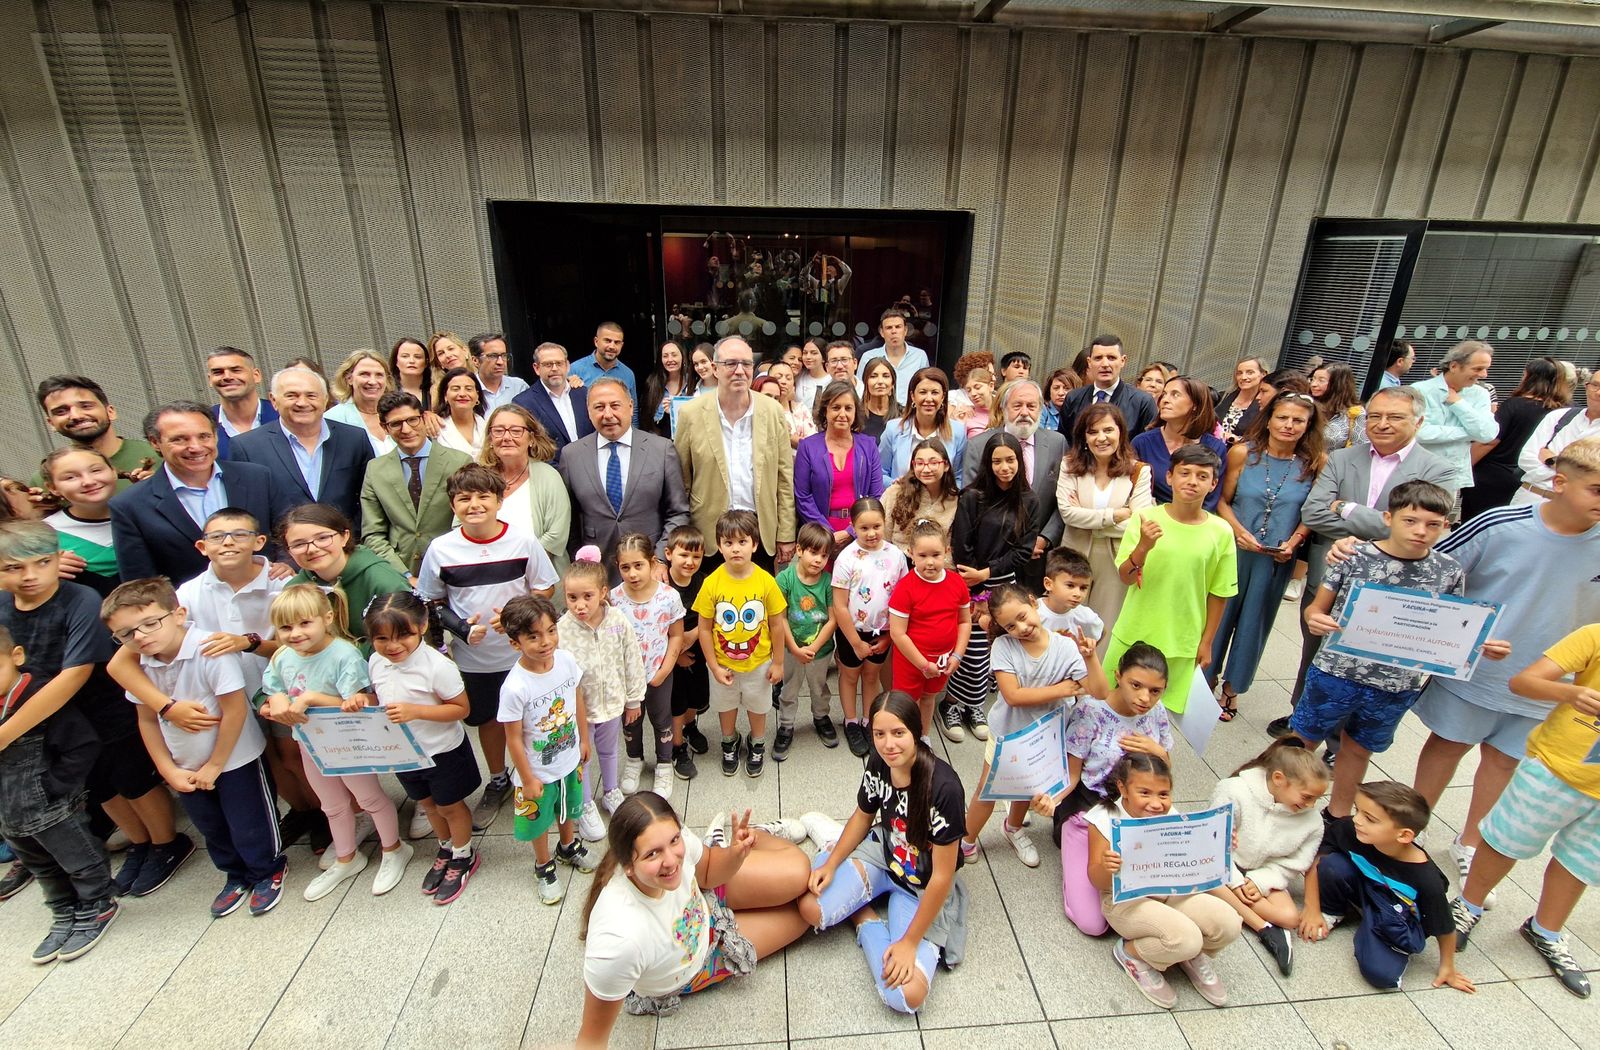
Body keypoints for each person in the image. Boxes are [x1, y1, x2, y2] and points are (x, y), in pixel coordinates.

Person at [1409, 437, 1600, 904]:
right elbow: (1431, 570)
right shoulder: (1500, 524)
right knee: (1447, 746)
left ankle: (1471, 842)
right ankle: (1412, 826)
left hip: (1552, 685)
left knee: (1503, 761)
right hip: (1474, 672)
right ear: (1560, 482)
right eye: (1597, 489)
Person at [0, 519, 192, 900]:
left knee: (131, 778)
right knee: (97, 784)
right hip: (53, 719)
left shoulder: (80, 600)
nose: (30, 576)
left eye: (42, 562)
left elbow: (75, 673)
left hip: (104, 705)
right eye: (14, 568)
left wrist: (7, 732)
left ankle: (166, 842)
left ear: (59, 558)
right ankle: (139, 843)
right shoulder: (4, 605)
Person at [1273, 386, 1454, 738]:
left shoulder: (1438, 471)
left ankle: (1340, 741)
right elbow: (1313, 512)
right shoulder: (1341, 458)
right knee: (1315, 652)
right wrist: (1389, 527)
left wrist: (1348, 508)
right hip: (1332, 572)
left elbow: (1423, 528)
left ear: (1418, 422)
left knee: (1371, 666)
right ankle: (1301, 718)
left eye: (1395, 417)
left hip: (1394, 589)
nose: (1382, 424)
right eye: (1375, 416)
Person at [1297, 481, 1487, 813]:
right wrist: (1315, 618)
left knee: (1358, 750)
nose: (1421, 531)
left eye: (1433, 524)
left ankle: (1338, 815)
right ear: (1388, 518)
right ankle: (1279, 803)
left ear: (1445, 525)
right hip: (1335, 673)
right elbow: (1316, 607)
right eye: (1410, 521)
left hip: (1396, 685)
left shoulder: (1448, 571)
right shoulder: (1353, 556)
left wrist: (1477, 644)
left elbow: (1449, 624)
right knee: (1302, 742)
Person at [102, 578, 285, 918]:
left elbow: (234, 710)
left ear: (178, 614)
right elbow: (146, 720)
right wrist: (168, 769)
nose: (140, 636)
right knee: (211, 826)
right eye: (126, 634)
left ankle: (267, 870)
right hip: (184, 765)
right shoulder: (141, 665)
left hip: (235, 760)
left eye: (150, 623)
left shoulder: (208, 649)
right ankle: (234, 875)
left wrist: (215, 764)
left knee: (250, 822)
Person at [577, 795, 812, 1043]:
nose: (671, 861)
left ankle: (756, 835)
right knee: (806, 911)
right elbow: (590, 1042)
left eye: (674, 840)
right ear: (627, 865)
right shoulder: (619, 940)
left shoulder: (668, 836)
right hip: (701, 958)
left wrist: (736, 854)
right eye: (653, 854)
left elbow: (708, 870)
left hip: (703, 894)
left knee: (800, 872)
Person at [1452, 625, 1600, 998]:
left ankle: (1545, 930)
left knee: (1580, 862)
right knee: (1507, 840)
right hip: (1556, 768)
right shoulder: (1594, 635)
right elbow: (1523, 682)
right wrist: (1571, 693)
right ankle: (1468, 905)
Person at [799, 692, 969, 1015]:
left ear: (916, 731)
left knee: (907, 996)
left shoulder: (945, 789)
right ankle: (833, 848)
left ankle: (864, 917)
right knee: (811, 907)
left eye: (898, 733)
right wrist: (832, 865)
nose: (888, 744)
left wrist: (908, 943)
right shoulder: (880, 762)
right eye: (879, 734)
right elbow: (863, 815)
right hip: (884, 854)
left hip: (921, 887)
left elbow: (942, 876)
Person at [416, 464, 556, 831]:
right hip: (475, 658)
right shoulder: (441, 549)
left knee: (536, 716)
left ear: (499, 501)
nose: (474, 504)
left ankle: (540, 774)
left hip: (524, 655)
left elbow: (545, 587)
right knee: (490, 720)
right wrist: (461, 629)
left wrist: (514, 614)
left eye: (483, 496)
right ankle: (498, 779)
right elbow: (430, 601)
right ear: (453, 505)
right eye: (464, 498)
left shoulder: (523, 541)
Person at [259, 584, 411, 900]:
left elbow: (356, 704)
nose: (295, 634)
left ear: (327, 617)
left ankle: (394, 849)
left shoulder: (344, 655)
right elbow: (272, 688)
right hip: (310, 744)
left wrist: (311, 698)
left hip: (348, 743)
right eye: (285, 627)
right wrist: (275, 702)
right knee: (331, 804)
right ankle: (346, 857)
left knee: (369, 798)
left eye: (304, 623)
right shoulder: (282, 655)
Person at [0, 603, 115, 960]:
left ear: (16, 656)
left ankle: (98, 905)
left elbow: (82, 745)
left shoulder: (39, 699)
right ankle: (63, 911)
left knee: (80, 859)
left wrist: (54, 788)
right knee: (41, 867)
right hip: (9, 816)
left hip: (52, 808)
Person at [961, 582, 1099, 870]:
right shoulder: (1004, 646)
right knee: (987, 789)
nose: (1021, 628)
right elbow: (1013, 696)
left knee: (1027, 786)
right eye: (1010, 626)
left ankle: (1013, 828)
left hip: (1044, 735)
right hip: (1007, 733)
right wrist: (1062, 689)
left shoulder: (1065, 647)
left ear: (1034, 603)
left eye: (1023, 617)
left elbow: (1098, 691)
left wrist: (1091, 658)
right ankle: (966, 840)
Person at [1089, 753, 1241, 1008]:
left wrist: (1220, 845)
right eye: (1144, 792)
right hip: (1125, 900)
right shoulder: (1103, 817)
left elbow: (1193, 858)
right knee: (1187, 939)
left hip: (1171, 890)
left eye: (1163, 794)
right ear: (1123, 788)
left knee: (1229, 924)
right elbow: (1095, 879)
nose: (1156, 803)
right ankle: (1132, 954)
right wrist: (1107, 867)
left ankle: (1187, 954)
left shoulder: (1169, 813)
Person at [1042, 643, 1172, 935]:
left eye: (1155, 691)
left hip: (1139, 812)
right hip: (1089, 810)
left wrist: (1158, 752)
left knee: (1165, 890)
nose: (1145, 698)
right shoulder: (1090, 711)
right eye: (1136, 685)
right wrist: (1050, 801)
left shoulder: (1157, 712)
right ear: (1118, 675)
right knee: (1092, 923)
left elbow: (1164, 772)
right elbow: (1071, 775)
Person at [1209, 392, 1322, 720]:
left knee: (1255, 624)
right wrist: (1237, 531)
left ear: (1308, 426)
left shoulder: (1315, 463)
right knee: (1219, 617)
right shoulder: (1242, 453)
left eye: (1298, 420)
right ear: (1269, 419)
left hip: (1277, 558)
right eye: (1282, 417)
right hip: (1235, 550)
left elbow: (1312, 512)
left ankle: (1233, 688)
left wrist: (1295, 541)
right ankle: (1205, 678)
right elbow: (1222, 500)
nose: (1289, 425)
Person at [1300, 781, 1472, 993]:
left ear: (1404, 835)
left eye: (1369, 818)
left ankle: (1382, 935)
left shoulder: (1427, 880)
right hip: (1365, 883)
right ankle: (1334, 910)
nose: (1357, 820)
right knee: (1332, 865)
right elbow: (1317, 858)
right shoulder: (1349, 829)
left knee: (1380, 974)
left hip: (1395, 910)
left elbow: (1444, 926)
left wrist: (1448, 967)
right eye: (1357, 810)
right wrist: (1312, 907)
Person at [1108, 444, 1237, 714]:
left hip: (1182, 641)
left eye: (1202, 476)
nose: (1192, 481)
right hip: (1134, 631)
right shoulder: (1144, 519)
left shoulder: (1221, 532)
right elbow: (1125, 577)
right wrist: (1143, 547)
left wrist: (1206, 642)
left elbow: (1220, 592)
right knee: (1112, 705)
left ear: (1214, 484)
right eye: (1184, 473)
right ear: (1169, 477)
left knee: (1160, 715)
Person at [109, 401, 291, 584]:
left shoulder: (257, 478)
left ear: (216, 436)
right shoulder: (130, 506)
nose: (195, 447)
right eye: (180, 439)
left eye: (204, 436)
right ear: (155, 442)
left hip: (268, 594)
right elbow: (140, 581)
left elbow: (287, 531)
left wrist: (287, 564)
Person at [496, 594, 598, 904]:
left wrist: (583, 739)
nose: (546, 642)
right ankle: (543, 865)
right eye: (533, 636)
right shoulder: (515, 687)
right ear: (514, 643)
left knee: (567, 808)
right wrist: (527, 779)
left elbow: (576, 699)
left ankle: (567, 847)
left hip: (568, 759)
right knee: (539, 821)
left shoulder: (565, 661)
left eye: (551, 631)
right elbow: (513, 738)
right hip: (537, 771)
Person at [943, 432, 1038, 741]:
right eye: (997, 461)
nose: (1004, 467)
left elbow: (1023, 551)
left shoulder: (1029, 500)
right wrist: (978, 586)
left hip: (1004, 584)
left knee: (996, 649)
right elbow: (962, 544)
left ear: (1019, 461)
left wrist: (988, 573)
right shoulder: (973, 496)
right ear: (988, 463)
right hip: (971, 584)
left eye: (1010, 460)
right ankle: (951, 704)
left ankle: (975, 705)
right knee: (972, 651)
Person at [1206, 740, 1329, 976]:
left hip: (1261, 872)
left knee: (1290, 918)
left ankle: (1241, 908)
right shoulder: (1233, 790)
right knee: (1208, 879)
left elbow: (1297, 862)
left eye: (1316, 799)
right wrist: (1235, 881)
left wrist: (1260, 881)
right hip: (1222, 866)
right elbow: (1212, 842)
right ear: (1279, 779)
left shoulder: (1312, 821)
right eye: (1307, 797)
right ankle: (1262, 927)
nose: (1311, 805)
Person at [674, 336, 797, 567]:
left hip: (759, 531)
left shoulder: (772, 411)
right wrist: (684, 532)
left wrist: (786, 532)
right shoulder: (690, 414)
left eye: (746, 364)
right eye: (730, 363)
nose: (740, 371)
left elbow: (784, 478)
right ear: (714, 369)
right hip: (709, 533)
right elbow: (682, 481)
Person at [557, 377, 689, 580]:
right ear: (588, 412)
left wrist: (661, 559)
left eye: (615, 405)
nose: (608, 414)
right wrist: (580, 562)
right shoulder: (571, 455)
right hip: (597, 571)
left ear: (630, 406)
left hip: (649, 567)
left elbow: (678, 512)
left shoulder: (661, 449)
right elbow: (569, 519)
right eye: (599, 407)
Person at [560, 551, 646, 841]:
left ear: (603, 592)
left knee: (609, 750)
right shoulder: (561, 630)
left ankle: (611, 791)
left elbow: (632, 660)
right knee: (581, 757)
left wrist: (633, 700)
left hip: (612, 703)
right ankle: (585, 804)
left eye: (587, 596)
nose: (580, 605)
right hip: (579, 711)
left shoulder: (618, 620)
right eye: (572, 598)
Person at [693, 510, 787, 779]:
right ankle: (729, 741)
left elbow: (777, 624)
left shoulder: (766, 581)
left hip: (759, 663)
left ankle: (757, 743)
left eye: (742, 542)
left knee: (758, 707)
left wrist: (778, 662)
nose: (736, 548)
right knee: (725, 706)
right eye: (728, 542)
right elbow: (704, 628)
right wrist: (713, 666)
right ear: (719, 546)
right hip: (723, 665)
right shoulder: (711, 583)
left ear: (755, 545)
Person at [229, 365, 375, 528]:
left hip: (346, 540)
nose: (302, 403)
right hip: (283, 543)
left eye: (311, 395)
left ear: (325, 399)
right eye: (291, 395)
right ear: (274, 400)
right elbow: (249, 512)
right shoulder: (247, 447)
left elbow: (369, 498)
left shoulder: (354, 439)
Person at [1057, 404, 1150, 650]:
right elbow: (1068, 514)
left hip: (1115, 559)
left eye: (1108, 430)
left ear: (1121, 432)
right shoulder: (1069, 466)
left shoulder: (1138, 472)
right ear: (1084, 437)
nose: (1101, 438)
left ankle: (1098, 675)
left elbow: (1139, 524)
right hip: (1074, 555)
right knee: (1067, 624)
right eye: (1093, 432)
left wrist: (1090, 520)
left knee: (1106, 626)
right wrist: (1116, 515)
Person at [961, 379, 1068, 586]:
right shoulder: (979, 445)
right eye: (1017, 405)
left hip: (1039, 559)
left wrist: (1044, 538)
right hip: (991, 562)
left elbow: (1063, 499)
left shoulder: (1058, 443)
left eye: (1031, 406)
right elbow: (972, 504)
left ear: (1041, 409)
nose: (1024, 412)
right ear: (1004, 408)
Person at [359, 392, 473, 580]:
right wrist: (403, 575)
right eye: (396, 424)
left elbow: (468, 521)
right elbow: (373, 534)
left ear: (424, 418)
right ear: (385, 428)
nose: (406, 429)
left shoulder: (459, 462)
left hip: (452, 569)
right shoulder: (375, 469)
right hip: (400, 573)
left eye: (412, 420)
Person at [611, 535, 685, 798]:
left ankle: (664, 763)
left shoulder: (668, 597)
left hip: (658, 673)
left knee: (661, 718)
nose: (632, 573)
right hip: (626, 679)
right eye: (625, 567)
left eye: (638, 565)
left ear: (652, 563)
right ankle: (634, 759)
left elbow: (676, 635)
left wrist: (665, 670)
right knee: (630, 720)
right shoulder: (613, 599)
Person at [887, 519, 972, 737]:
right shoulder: (905, 588)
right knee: (907, 703)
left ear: (947, 551)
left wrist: (958, 655)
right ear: (911, 553)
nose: (930, 562)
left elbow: (964, 621)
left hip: (943, 660)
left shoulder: (956, 583)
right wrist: (923, 665)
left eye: (936, 555)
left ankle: (924, 736)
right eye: (922, 556)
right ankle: (907, 739)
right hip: (911, 662)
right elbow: (898, 633)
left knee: (929, 697)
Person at [1462, 357, 1571, 520]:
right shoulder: (1566, 412)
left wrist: (1464, 466)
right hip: (1530, 479)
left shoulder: (1514, 405)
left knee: (1475, 524)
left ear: (1529, 377)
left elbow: (1490, 441)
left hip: (1492, 476)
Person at [480, 403, 571, 577]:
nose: (506, 437)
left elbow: (556, 536)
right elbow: (460, 525)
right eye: (498, 431)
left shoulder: (549, 477)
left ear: (531, 438)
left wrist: (514, 568)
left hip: (538, 578)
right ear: (490, 439)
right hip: (485, 577)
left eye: (516, 431)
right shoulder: (478, 478)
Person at [795, 381, 885, 550]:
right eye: (836, 407)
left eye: (848, 408)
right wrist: (827, 533)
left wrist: (851, 531)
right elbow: (803, 496)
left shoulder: (868, 446)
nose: (842, 414)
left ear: (855, 412)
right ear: (825, 411)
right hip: (819, 536)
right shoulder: (808, 447)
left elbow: (876, 494)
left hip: (862, 533)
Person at [31, 375, 159, 492]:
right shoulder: (47, 478)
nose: (76, 416)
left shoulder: (160, 456)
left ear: (110, 412)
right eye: (61, 411)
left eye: (86, 406)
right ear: (51, 423)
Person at [1410, 339, 1497, 508]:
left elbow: (1488, 434)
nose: (1484, 375)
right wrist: (1469, 433)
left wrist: (1458, 404)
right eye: (1478, 369)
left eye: (1486, 369)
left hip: (1451, 477)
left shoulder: (1481, 394)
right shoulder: (1420, 390)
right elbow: (1419, 433)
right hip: (1416, 473)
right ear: (1454, 366)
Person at [774, 523, 836, 758]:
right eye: (813, 552)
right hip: (791, 650)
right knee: (789, 688)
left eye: (824, 555)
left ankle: (821, 717)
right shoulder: (785, 579)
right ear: (799, 550)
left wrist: (814, 647)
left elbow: (833, 620)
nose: (818, 560)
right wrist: (794, 647)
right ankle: (786, 725)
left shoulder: (828, 582)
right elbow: (780, 618)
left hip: (821, 651)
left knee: (819, 687)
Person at [1131, 376, 1228, 510]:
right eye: (1164, 394)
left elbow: (1211, 500)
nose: (1165, 400)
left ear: (1195, 405)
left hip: (1197, 519)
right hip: (1150, 517)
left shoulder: (1216, 447)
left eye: (1175, 395)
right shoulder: (1142, 443)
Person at [1508, 368, 1599, 508]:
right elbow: (1526, 458)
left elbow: (1593, 476)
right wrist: (1573, 473)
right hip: (1528, 497)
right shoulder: (1560, 416)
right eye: (1595, 385)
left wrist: (1550, 460)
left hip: (1574, 508)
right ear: (1586, 387)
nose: (1598, 393)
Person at [664, 526, 711, 780]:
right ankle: (677, 746)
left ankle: (690, 726)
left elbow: (710, 617)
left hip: (698, 649)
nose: (690, 562)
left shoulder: (704, 582)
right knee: (677, 702)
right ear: (668, 554)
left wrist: (693, 636)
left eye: (696, 556)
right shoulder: (662, 586)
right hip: (670, 656)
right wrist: (676, 655)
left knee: (696, 697)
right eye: (683, 555)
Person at [41, 447, 120, 597]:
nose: (88, 482)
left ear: (113, 472)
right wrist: (43, 569)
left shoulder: (146, 513)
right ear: (52, 487)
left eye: (96, 470)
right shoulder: (42, 534)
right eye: (71, 477)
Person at [878, 367, 966, 488]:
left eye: (934, 392)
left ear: (943, 397)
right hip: (902, 496)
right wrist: (896, 485)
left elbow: (959, 477)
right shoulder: (893, 429)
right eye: (923, 392)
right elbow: (880, 473)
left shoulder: (958, 431)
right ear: (912, 396)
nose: (929, 399)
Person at [1056, 335, 1158, 440]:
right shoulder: (1073, 398)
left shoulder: (1142, 402)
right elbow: (1063, 442)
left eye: (1111, 358)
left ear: (1123, 361)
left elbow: (1148, 444)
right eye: (1098, 358)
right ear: (1089, 362)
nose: (1105, 364)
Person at [513, 342, 593, 458]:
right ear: (537, 368)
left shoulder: (585, 394)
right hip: (551, 466)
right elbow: (530, 446)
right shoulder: (524, 403)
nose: (555, 368)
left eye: (559, 363)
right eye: (548, 364)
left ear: (567, 366)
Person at [882, 439, 959, 555]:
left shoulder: (955, 500)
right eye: (920, 463)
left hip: (937, 563)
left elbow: (952, 548)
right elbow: (882, 538)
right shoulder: (895, 493)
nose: (926, 469)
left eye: (933, 463)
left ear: (946, 465)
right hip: (898, 560)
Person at [205, 348, 279, 458]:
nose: (227, 377)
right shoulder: (203, 423)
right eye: (218, 372)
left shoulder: (282, 415)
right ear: (210, 380)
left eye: (236, 370)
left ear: (256, 375)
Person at [325, 351, 395, 455]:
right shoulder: (332, 419)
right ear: (349, 379)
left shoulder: (398, 413)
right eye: (364, 374)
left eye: (379, 375)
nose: (372, 381)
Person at [856, 309, 930, 403]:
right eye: (889, 328)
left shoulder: (920, 356)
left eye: (898, 327)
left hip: (910, 410)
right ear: (882, 332)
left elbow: (925, 387)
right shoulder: (868, 357)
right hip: (878, 409)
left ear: (905, 330)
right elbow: (860, 390)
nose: (894, 331)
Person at [571, 321, 639, 412]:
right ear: (596, 341)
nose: (612, 346)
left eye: (617, 342)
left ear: (622, 345)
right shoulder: (575, 369)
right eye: (607, 341)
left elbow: (633, 410)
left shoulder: (628, 374)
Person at [642, 340, 694, 438]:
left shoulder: (692, 383)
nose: (670, 359)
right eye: (665, 356)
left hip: (688, 439)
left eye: (674, 355)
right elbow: (647, 420)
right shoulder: (653, 383)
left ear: (682, 357)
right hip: (660, 441)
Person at [1311, 362, 1366, 451]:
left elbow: (1360, 448)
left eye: (1321, 380)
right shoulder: (1308, 405)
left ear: (1337, 384)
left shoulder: (1355, 412)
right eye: (1312, 379)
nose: (1313, 384)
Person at [434, 367, 488, 458]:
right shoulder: (435, 427)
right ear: (445, 395)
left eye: (469, 389)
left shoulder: (488, 426)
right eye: (456, 389)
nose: (462, 394)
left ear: (477, 395)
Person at [469, 332, 529, 410]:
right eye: (493, 356)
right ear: (475, 361)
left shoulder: (519, 387)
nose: (500, 362)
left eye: (504, 355)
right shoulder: (467, 390)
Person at [1213, 357, 1266, 444]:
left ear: (1263, 374)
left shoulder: (1265, 404)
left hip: (1243, 450)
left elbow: (1263, 439)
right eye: (1239, 373)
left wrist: (1236, 440)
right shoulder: (1222, 397)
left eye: (1250, 372)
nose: (1243, 377)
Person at [390, 337, 439, 422]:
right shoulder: (387, 390)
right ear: (396, 361)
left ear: (426, 363)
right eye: (405, 356)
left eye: (418, 357)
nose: (411, 361)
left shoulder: (436, 390)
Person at [859, 358, 900, 440]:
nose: (880, 381)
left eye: (886, 376)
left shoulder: (904, 416)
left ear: (892, 383)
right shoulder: (856, 415)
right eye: (873, 376)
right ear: (865, 382)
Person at [950, 366, 995, 438]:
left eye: (977, 387)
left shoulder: (1005, 410)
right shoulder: (966, 415)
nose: (973, 393)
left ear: (991, 386)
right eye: (968, 390)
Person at [794, 337, 831, 411]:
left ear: (824, 358)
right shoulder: (798, 376)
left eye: (814, 353)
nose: (808, 357)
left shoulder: (831, 380)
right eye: (805, 353)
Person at [1041, 366, 1079, 432]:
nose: (1061, 393)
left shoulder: (1081, 411)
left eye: (1066, 388)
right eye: (1056, 388)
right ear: (1049, 390)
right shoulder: (1042, 410)